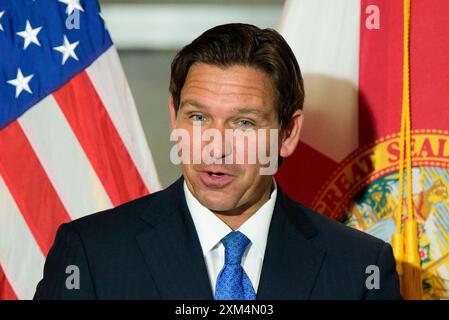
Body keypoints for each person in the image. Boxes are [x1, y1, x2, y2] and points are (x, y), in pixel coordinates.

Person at [34, 23, 401, 300]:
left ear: (287, 134)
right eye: (198, 118)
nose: (215, 147)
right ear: (174, 118)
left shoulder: (359, 268)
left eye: (243, 123)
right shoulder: (90, 254)